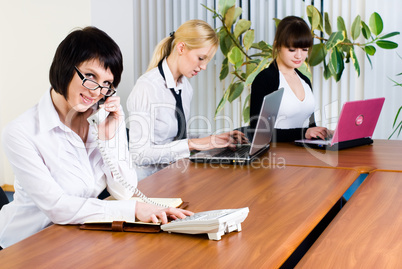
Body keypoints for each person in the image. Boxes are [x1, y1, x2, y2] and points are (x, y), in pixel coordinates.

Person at [0, 26, 192, 249]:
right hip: (25, 245)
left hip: (75, 237)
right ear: (65, 67)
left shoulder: (103, 118)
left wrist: (110, 138)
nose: (96, 91)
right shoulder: (21, 132)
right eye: (90, 76)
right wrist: (135, 209)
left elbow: (124, 191)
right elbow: (57, 207)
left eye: (107, 84)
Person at [127, 19, 247, 180]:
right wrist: (192, 144)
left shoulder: (185, 87)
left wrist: (214, 140)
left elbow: (176, 137)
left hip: (175, 174)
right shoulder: (147, 88)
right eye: (201, 58)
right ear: (181, 47)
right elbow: (139, 155)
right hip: (148, 181)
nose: (204, 66)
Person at [250, 16, 332, 142]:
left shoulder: (304, 80)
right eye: (292, 49)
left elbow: (310, 127)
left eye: (305, 49)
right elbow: (259, 132)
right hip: (276, 156)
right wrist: (304, 133)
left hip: (304, 153)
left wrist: (324, 133)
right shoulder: (265, 79)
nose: (299, 55)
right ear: (278, 46)